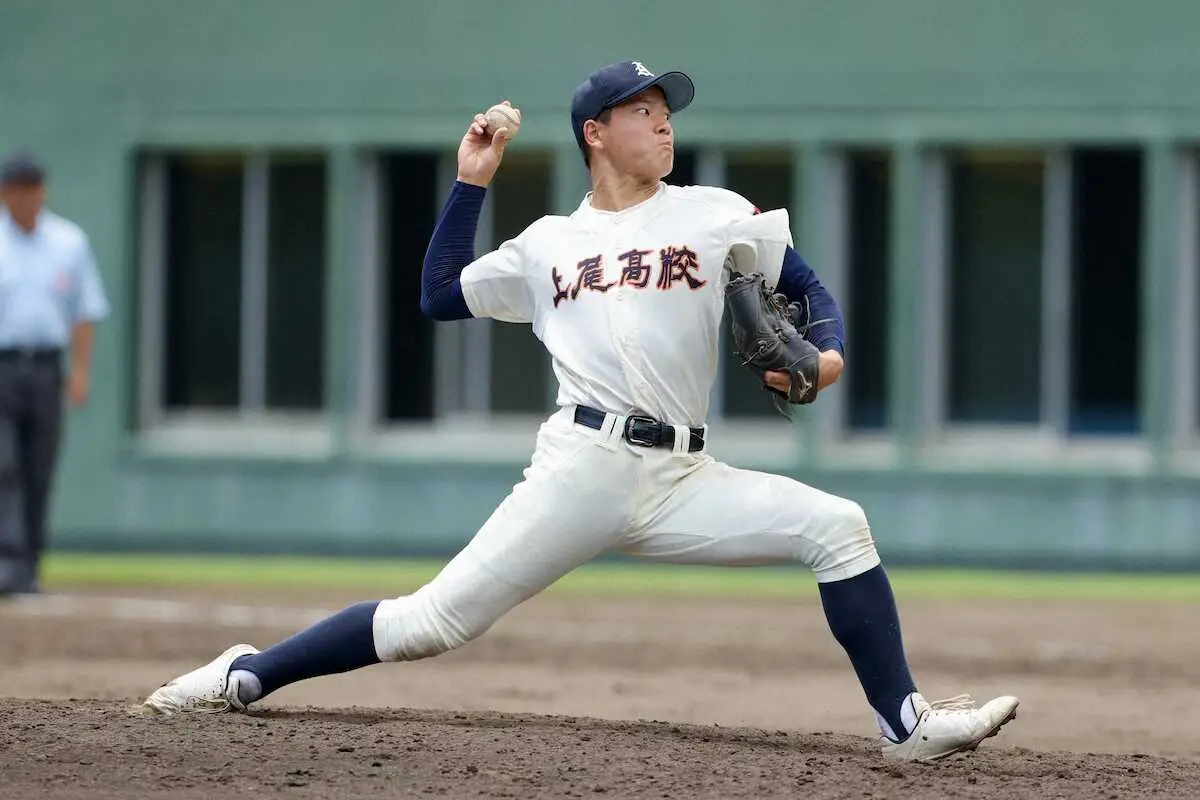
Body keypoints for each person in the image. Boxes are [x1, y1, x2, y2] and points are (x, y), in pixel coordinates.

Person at [143, 61, 1018, 762]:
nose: (664, 119)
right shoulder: (548, 244)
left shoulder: (714, 214)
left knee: (839, 524)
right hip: (582, 468)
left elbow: (809, 286)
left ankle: (903, 723)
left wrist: (822, 360)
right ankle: (246, 675)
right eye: (641, 109)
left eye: (666, 107)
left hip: (683, 476)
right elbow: (440, 294)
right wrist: (471, 182)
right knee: (430, 624)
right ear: (596, 133)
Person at [0, 151, 109, 596]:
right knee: (2, 465)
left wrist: (80, 370)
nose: (25, 198)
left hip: (46, 368)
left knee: (38, 467)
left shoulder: (69, 242)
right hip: (2, 367)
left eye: (32, 188)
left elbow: (85, 311)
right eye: (16, 189)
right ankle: (7, 562)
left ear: (42, 192)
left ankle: (29, 567)